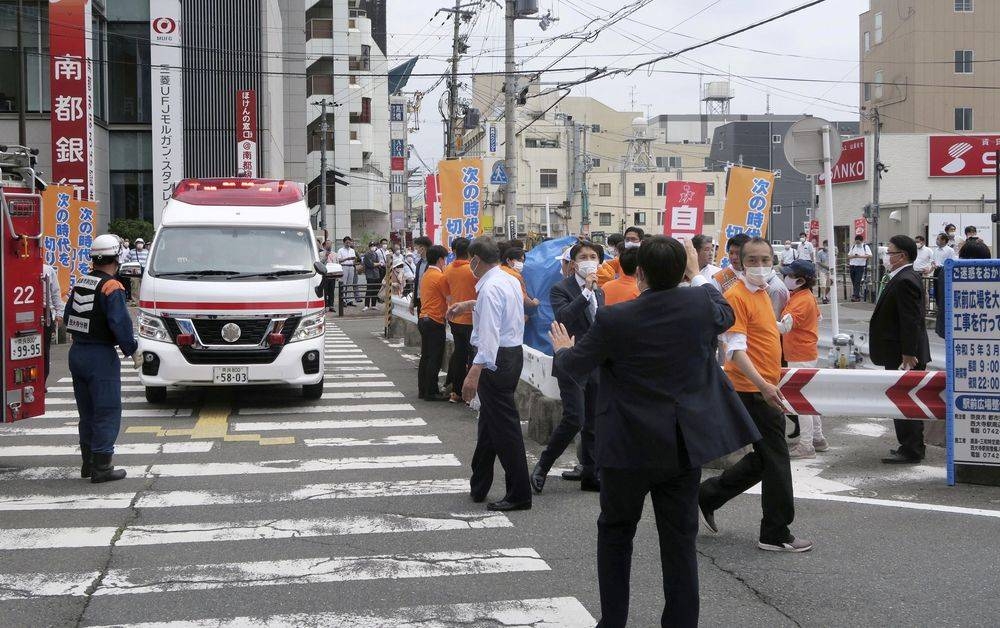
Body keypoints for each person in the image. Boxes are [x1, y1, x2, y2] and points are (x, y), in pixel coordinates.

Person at [549, 236, 759, 628]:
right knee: (679, 540)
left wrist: (562, 350)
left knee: (616, 533)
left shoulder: (616, 317)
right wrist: (696, 276)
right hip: (681, 444)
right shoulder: (700, 305)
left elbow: (572, 368)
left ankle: (613, 621)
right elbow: (725, 312)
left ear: (639, 272)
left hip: (626, 445)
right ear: (681, 270)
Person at [699, 237, 813, 553]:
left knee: (766, 459)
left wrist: (781, 327)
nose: (760, 266)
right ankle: (775, 532)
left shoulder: (762, 293)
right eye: (753, 260)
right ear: (740, 263)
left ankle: (708, 494)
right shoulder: (736, 296)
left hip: (762, 387)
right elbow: (734, 350)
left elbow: (761, 330)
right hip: (752, 390)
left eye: (766, 259)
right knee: (776, 460)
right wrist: (763, 385)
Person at [447, 237, 532, 511]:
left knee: (505, 430)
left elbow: (490, 335)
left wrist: (473, 371)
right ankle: (479, 483)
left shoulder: (492, 286)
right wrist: (467, 305)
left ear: (476, 259)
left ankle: (519, 493)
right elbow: (499, 311)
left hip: (495, 361)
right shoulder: (505, 279)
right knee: (490, 424)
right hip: (510, 355)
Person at [531, 240, 606, 494]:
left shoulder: (600, 291)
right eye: (583, 256)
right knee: (575, 418)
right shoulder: (560, 289)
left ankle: (591, 474)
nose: (589, 260)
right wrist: (585, 291)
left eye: (593, 256)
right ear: (574, 264)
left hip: (596, 362)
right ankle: (542, 465)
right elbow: (564, 317)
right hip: (571, 362)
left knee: (594, 421)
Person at [64, 234, 140, 483]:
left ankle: (88, 463)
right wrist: (132, 349)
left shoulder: (81, 282)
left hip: (77, 354)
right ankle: (102, 467)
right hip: (100, 355)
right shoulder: (112, 287)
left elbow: (67, 318)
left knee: (87, 412)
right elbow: (119, 323)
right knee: (107, 410)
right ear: (117, 257)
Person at [870, 235, 932, 464]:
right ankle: (908, 445)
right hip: (897, 351)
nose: (887, 256)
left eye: (890, 252)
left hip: (904, 355)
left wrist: (908, 353)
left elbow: (911, 320)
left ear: (902, 256)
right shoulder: (899, 277)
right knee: (901, 399)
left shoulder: (906, 280)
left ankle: (912, 448)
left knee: (906, 399)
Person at [778, 260, 826, 458]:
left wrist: (760, 321)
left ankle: (806, 445)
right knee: (809, 398)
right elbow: (819, 318)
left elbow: (784, 327)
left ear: (800, 280)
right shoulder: (805, 296)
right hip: (806, 352)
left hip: (800, 354)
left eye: (789, 275)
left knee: (801, 401)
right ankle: (817, 438)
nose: (785, 278)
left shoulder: (800, 300)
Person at [443, 237, 478, 403]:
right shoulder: (474, 271)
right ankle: (470, 394)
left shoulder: (447, 270)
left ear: (454, 251)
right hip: (472, 319)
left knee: (459, 354)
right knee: (474, 356)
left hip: (455, 318)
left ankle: (456, 392)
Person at [417, 245, 450, 401]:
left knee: (426, 356)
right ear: (440, 259)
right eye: (445, 259)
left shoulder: (427, 274)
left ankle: (423, 390)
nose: (446, 262)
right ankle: (431, 391)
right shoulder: (440, 277)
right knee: (434, 358)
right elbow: (449, 298)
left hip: (423, 318)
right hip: (435, 320)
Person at [41, 263, 65, 382]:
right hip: (23, 309)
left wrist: (59, 313)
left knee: (44, 349)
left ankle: (42, 381)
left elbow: (55, 292)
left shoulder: (47, 269)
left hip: (45, 312)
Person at [409, 236, 433, 315]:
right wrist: (412, 301)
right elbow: (417, 282)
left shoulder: (433, 263)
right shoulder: (419, 263)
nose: (415, 251)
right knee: (421, 324)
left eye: (416, 248)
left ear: (422, 249)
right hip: (420, 300)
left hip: (431, 301)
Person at [848, 235, 872, 302]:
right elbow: (849, 256)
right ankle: (856, 295)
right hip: (852, 266)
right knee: (853, 281)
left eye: (858, 242)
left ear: (861, 241)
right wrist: (854, 256)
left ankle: (856, 296)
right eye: (856, 242)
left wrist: (860, 256)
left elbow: (870, 255)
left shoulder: (865, 247)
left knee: (857, 281)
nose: (857, 243)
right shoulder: (853, 246)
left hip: (860, 266)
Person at [337, 236, 358, 306]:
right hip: (344, 267)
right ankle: (343, 300)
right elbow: (339, 260)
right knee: (343, 284)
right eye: (347, 242)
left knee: (350, 284)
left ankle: (349, 300)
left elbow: (354, 260)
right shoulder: (340, 250)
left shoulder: (352, 250)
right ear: (344, 243)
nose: (348, 244)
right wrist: (347, 258)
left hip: (351, 267)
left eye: (349, 242)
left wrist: (355, 260)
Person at [362, 242, 381, 310]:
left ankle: (374, 305)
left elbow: (378, 263)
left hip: (376, 274)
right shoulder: (367, 254)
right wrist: (377, 264)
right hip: (370, 274)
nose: (373, 247)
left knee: (375, 290)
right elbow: (370, 264)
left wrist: (377, 264)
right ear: (369, 247)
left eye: (374, 246)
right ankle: (366, 305)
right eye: (372, 246)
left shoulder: (375, 254)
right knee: (369, 290)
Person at [816, 240, 832, 304]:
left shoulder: (831, 252)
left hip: (830, 271)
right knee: (823, 285)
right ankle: (824, 298)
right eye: (825, 245)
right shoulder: (820, 252)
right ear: (823, 245)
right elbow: (818, 262)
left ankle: (825, 295)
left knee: (829, 285)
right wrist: (826, 267)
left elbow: (834, 260)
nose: (827, 246)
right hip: (822, 270)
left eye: (828, 245)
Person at [116, 238, 132, 302]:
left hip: (126, 266)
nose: (127, 243)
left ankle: (128, 296)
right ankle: (121, 295)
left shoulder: (129, 249)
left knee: (127, 282)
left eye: (128, 242)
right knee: (120, 281)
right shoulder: (121, 248)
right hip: (120, 265)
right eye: (126, 241)